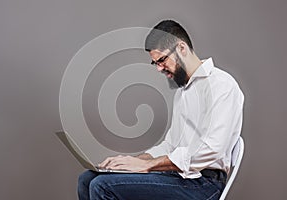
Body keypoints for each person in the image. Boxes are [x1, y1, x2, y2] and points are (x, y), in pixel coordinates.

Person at [77, 19, 244, 200]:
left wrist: (149, 166)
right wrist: (135, 161)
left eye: (162, 60)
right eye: (155, 63)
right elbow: (171, 145)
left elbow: (213, 149)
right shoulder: (183, 92)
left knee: (102, 186)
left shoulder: (222, 85)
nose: (159, 69)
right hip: (178, 177)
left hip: (203, 185)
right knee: (88, 179)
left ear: (181, 48)